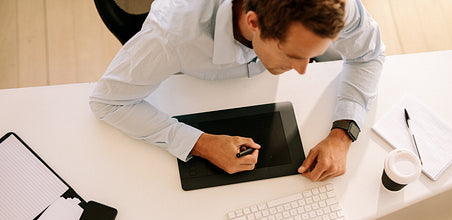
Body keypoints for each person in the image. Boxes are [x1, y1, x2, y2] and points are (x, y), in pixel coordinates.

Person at [89, 0, 385, 182]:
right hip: (193, 91)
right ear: (253, 22)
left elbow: (369, 54)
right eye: (292, 55)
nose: (303, 70)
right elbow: (107, 102)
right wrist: (200, 143)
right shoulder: (172, 34)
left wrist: (343, 134)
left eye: (311, 55)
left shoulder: (334, 7)